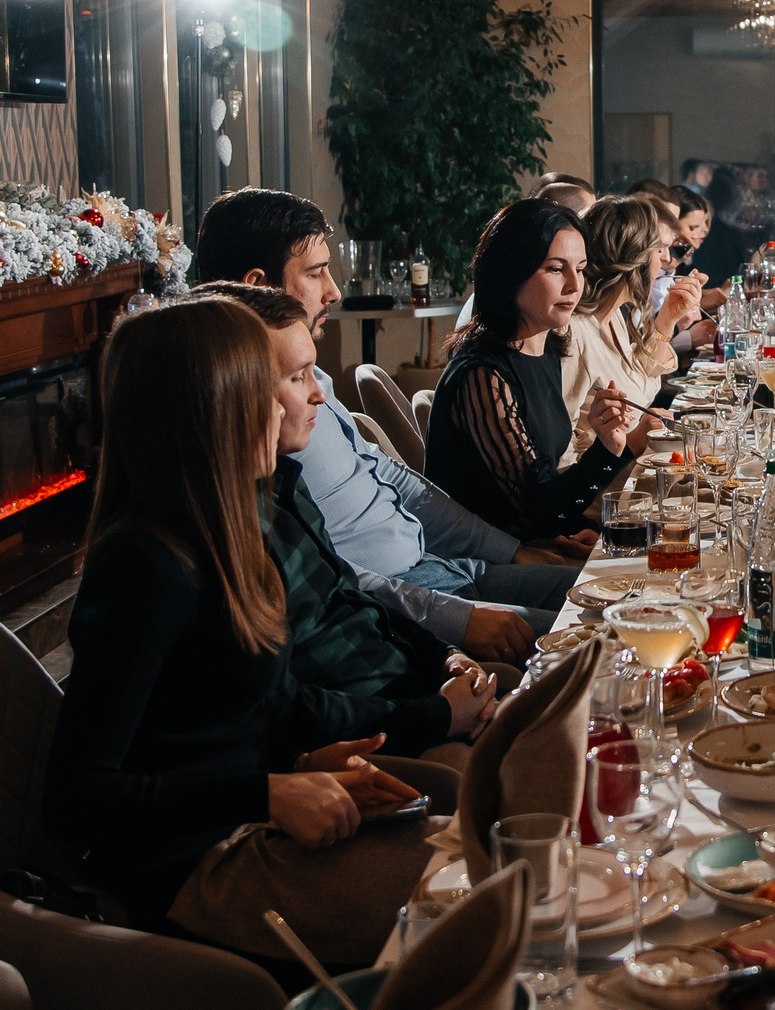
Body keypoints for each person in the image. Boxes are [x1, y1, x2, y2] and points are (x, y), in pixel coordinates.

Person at [44, 298, 439, 968]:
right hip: (194, 867)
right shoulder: (146, 564)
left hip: (247, 818)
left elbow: (237, 710)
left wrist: (301, 764)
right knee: (470, 897)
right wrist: (266, 791)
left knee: (488, 850)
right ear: (212, 406)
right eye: (269, 384)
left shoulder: (229, 531)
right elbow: (76, 797)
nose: (292, 404)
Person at [186, 188, 582, 663]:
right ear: (261, 284)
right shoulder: (256, 420)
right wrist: (455, 620)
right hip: (402, 605)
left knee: (626, 592)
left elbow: (393, 479)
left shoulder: (314, 383)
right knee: (602, 637)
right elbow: (320, 578)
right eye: (316, 274)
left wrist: (510, 551)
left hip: (443, 567)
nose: (334, 290)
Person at [199, 282, 499, 762]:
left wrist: (441, 654)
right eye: (297, 378)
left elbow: (351, 596)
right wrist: (436, 715)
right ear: (225, 392)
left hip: (403, 684)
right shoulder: (213, 538)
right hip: (379, 722)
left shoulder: (282, 483)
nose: (319, 394)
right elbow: (285, 707)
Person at [425, 199, 641, 540]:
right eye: (556, 269)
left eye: (581, 269)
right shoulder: (483, 373)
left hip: (538, 539)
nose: (574, 285)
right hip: (481, 563)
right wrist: (608, 448)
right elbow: (534, 506)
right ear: (511, 272)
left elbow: (545, 504)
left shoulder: (548, 348)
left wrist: (571, 529)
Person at [560, 195, 699, 459]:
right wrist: (634, 441)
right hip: (607, 490)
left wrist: (668, 318)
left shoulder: (613, 316)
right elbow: (564, 456)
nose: (664, 260)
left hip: (635, 469)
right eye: (658, 251)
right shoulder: (574, 332)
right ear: (637, 259)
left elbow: (642, 373)